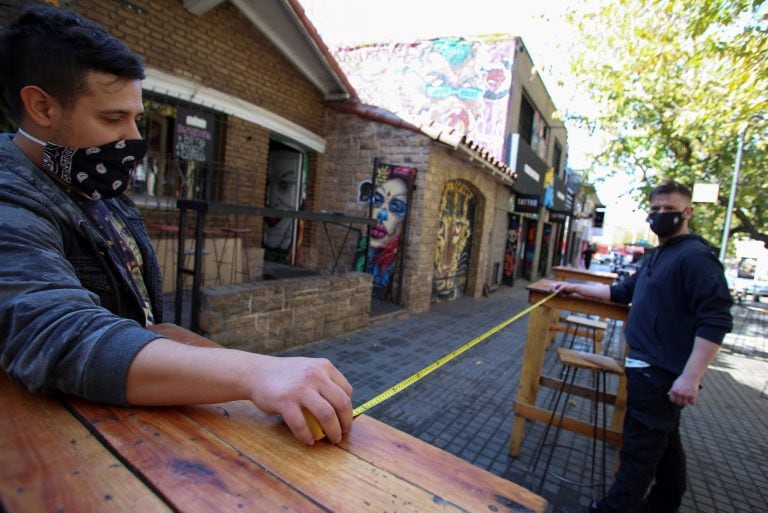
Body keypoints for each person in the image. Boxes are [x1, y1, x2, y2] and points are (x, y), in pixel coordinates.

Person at [0, 6, 352, 446]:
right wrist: (257, 372)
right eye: (112, 118)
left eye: (136, 119)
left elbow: (140, 319)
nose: (132, 139)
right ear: (41, 106)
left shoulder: (92, 183)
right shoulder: (9, 198)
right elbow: (59, 337)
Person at [552, 180, 733, 513]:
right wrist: (573, 288)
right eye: (655, 210)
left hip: (660, 374)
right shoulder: (659, 255)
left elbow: (717, 319)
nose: (661, 215)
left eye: (670, 210)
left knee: (638, 453)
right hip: (645, 369)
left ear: (688, 213)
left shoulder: (695, 258)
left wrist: (691, 377)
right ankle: (665, 502)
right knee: (665, 444)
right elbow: (621, 292)